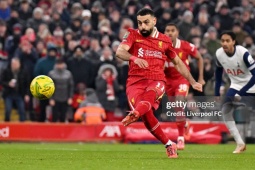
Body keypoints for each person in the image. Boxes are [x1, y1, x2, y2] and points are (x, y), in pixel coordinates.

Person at [115, 8, 202, 158]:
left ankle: (136, 113)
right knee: (146, 115)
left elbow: (178, 62)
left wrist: (193, 81)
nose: (142, 26)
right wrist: (134, 58)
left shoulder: (165, 40)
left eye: (146, 22)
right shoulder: (132, 34)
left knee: (150, 96)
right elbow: (119, 52)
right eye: (140, 23)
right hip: (135, 82)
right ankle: (169, 144)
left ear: (154, 21)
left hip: (157, 80)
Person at [164, 23, 205, 150]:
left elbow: (199, 58)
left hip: (182, 79)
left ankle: (180, 139)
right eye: (167, 30)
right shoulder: (160, 47)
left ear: (177, 32)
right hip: (168, 81)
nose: (170, 33)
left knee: (179, 103)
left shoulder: (185, 46)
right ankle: (185, 123)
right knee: (177, 110)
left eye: (172, 30)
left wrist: (200, 78)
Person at [215, 31, 255, 153]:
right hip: (236, 85)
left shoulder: (243, 53)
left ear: (233, 42)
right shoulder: (219, 54)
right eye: (222, 41)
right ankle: (240, 143)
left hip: (251, 84)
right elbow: (218, 74)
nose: (224, 43)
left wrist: (241, 92)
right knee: (225, 111)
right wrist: (217, 92)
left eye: (227, 41)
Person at [0, 57, 30, 122]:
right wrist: (8, 84)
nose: (14, 65)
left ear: (19, 64)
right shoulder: (6, 71)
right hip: (9, 94)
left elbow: (27, 85)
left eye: (16, 64)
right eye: (13, 64)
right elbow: (1, 81)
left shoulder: (24, 72)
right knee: (8, 110)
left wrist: (27, 94)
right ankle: (7, 124)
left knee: (22, 110)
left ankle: (22, 126)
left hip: (20, 94)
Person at [48, 58, 74, 122]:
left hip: (65, 98)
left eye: (61, 64)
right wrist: (51, 98)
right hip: (55, 98)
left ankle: (62, 131)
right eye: (58, 64)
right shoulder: (51, 73)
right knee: (54, 117)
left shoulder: (68, 73)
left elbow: (71, 86)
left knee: (63, 116)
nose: (60, 65)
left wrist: (70, 97)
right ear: (56, 65)